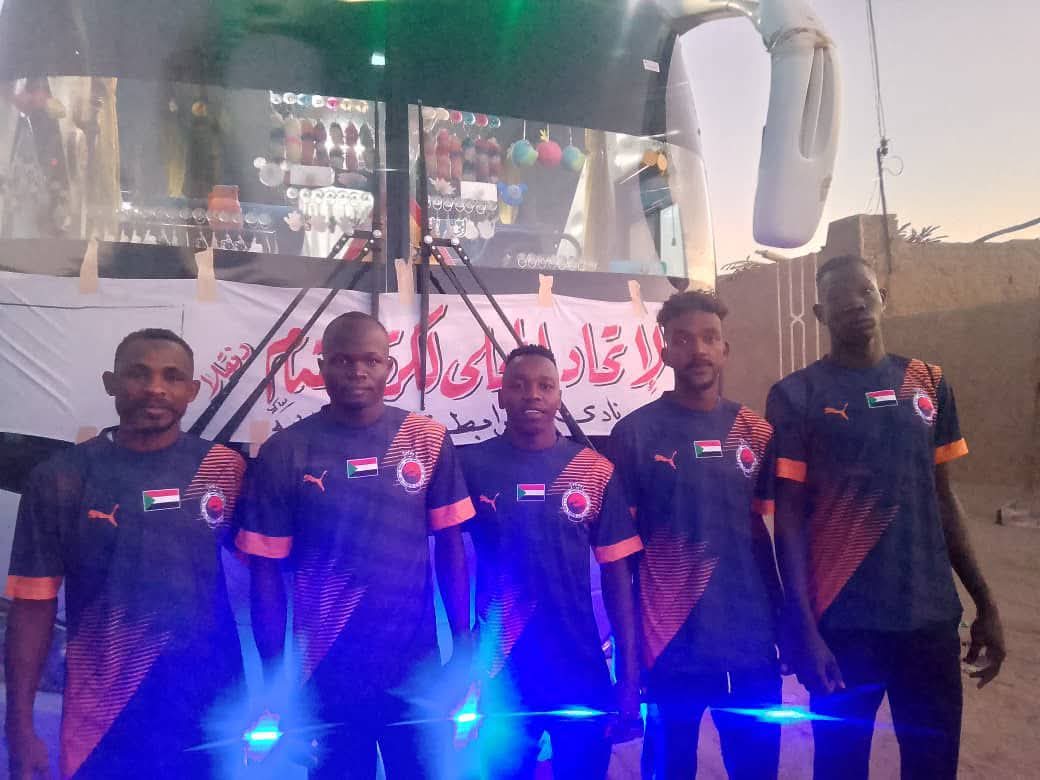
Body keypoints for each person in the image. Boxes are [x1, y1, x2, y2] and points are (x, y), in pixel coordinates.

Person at [766, 254, 1006, 780]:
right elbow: (789, 519)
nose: (856, 305)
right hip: (843, 627)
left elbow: (942, 498)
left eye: (866, 292)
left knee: (932, 766)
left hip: (929, 622)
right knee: (840, 766)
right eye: (839, 298)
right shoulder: (796, 396)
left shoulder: (927, 382)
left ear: (883, 299)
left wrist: (984, 601)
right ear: (819, 313)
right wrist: (801, 623)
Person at [236, 311, 474, 780]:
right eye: (343, 360)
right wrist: (276, 683)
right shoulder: (286, 451)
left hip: (416, 671)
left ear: (390, 367)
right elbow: (266, 574)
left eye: (371, 360)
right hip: (326, 676)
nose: (357, 371)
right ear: (321, 367)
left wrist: (464, 643)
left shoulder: (426, 439)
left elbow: (451, 547)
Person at [4, 328, 247, 779]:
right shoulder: (62, 477)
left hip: (213, 707)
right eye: (139, 373)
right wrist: (18, 727)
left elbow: (276, 567)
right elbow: (33, 607)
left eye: (172, 376)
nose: (155, 388)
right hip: (103, 714)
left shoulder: (223, 468)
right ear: (110, 383)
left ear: (193, 390)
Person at [607, 291, 784, 779]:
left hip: (749, 641)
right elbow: (621, 559)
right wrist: (628, 657)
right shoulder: (634, 434)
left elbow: (760, 535)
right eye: (683, 340)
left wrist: (784, 622)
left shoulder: (755, 431)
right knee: (670, 768)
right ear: (664, 351)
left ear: (725, 349)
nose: (698, 350)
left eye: (709, 338)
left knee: (756, 769)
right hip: (669, 644)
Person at [459, 344, 643, 780]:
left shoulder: (593, 470)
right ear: (501, 396)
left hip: (578, 662)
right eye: (519, 385)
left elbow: (617, 577)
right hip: (503, 669)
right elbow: (446, 554)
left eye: (545, 386)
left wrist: (629, 672)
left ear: (560, 396)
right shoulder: (471, 464)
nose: (532, 395)